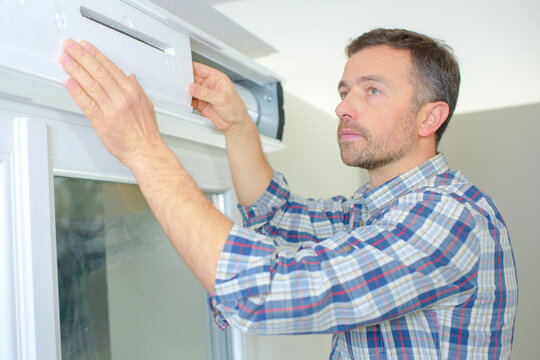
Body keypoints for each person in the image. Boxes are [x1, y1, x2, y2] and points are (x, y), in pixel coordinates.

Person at [59, 28, 518, 359]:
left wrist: (144, 150)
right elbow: (277, 216)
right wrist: (239, 124)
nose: (343, 107)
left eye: (372, 90)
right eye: (344, 91)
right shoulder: (375, 211)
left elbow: (267, 292)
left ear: (428, 118)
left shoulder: (450, 217)